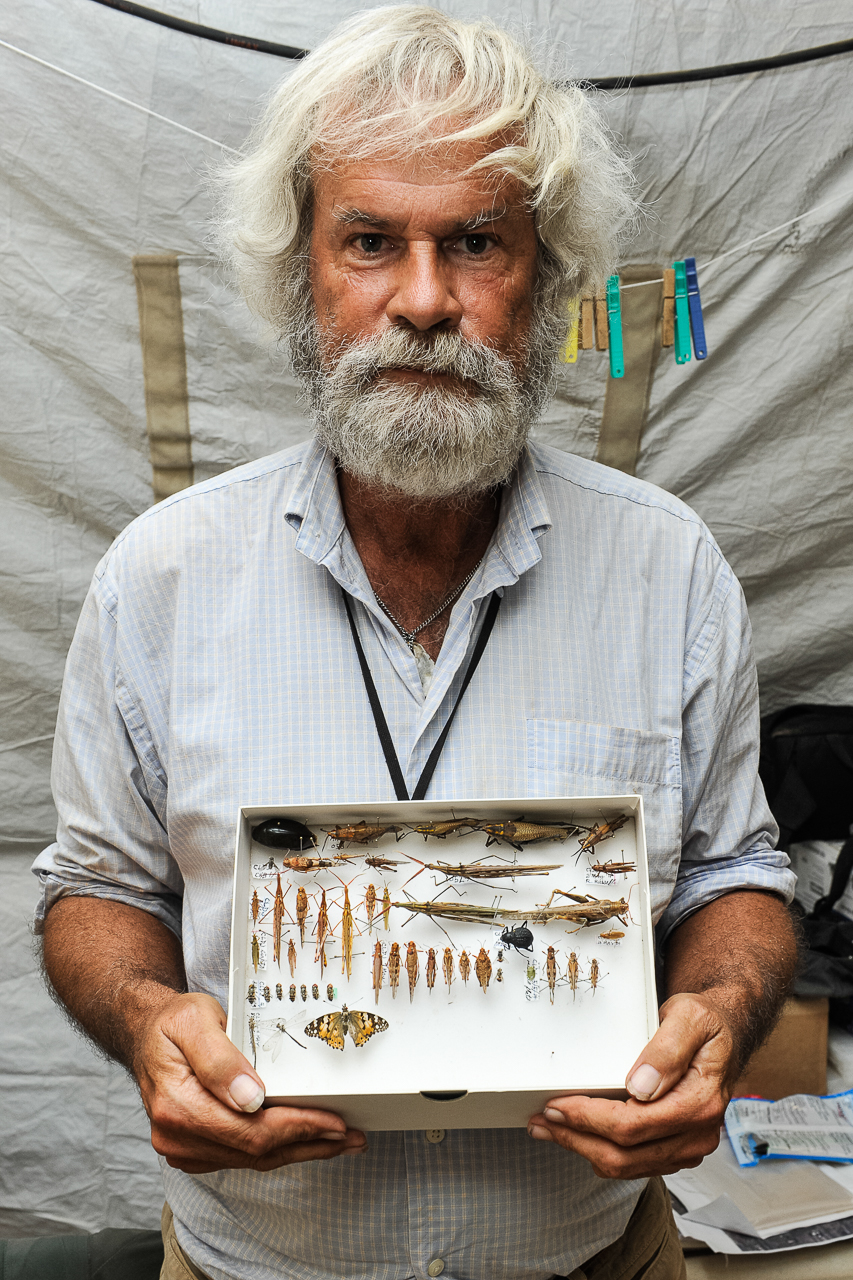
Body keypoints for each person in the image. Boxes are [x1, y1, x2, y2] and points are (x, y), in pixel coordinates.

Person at [35, 8, 797, 1279]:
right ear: (303, 275)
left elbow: (735, 873)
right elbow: (98, 886)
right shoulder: (160, 576)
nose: (426, 301)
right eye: (372, 241)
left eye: (478, 243)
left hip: (595, 1258)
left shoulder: (669, 568)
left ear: (546, 281)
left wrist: (715, 1015)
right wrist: (147, 1012)